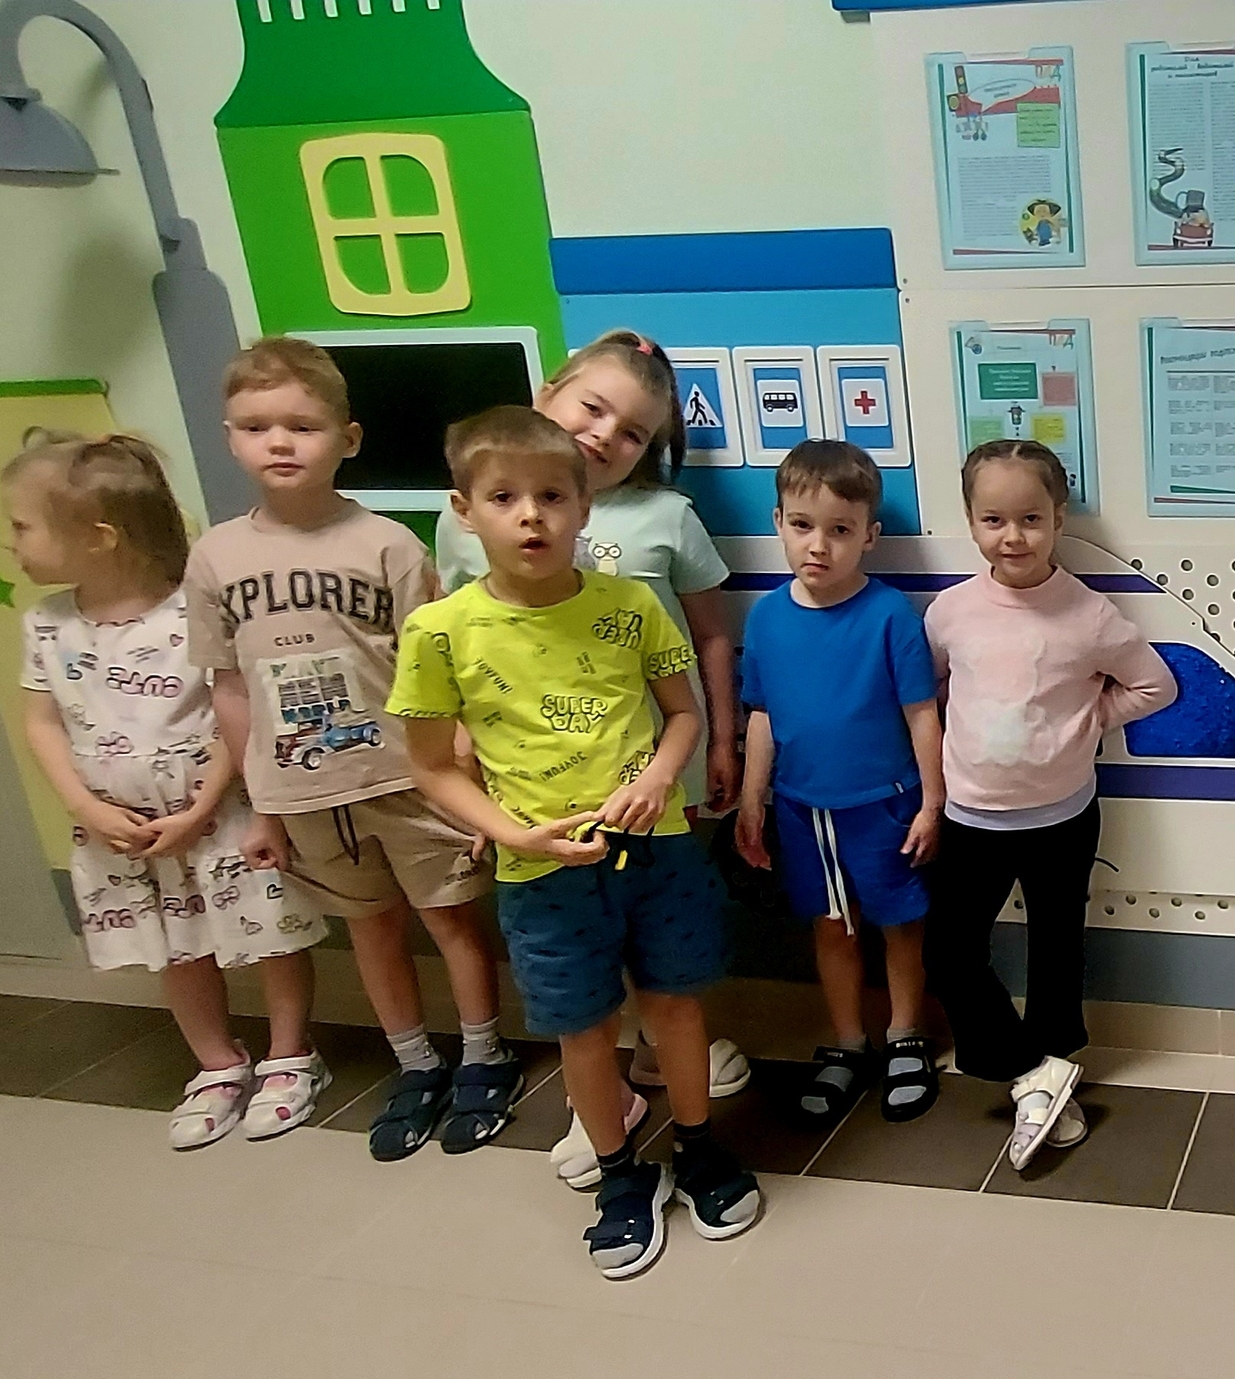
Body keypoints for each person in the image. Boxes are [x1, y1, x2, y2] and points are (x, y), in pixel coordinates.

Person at [389, 406, 758, 1280]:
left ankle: (698, 1146)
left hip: (657, 851)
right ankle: (621, 1175)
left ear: (583, 507)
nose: (531, 516)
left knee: (675, 1008)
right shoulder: (440, 631)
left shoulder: (630, 605)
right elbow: (431, 766)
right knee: (583, 1030)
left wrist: (660, 776)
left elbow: (681, 714)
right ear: (462, 511)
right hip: (542, 870)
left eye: (553, 496)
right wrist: (511, 831)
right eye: (504, 497)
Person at [186, 337, 519, 1162]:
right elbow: (230, 688)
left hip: (407, 777)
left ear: (349, 437)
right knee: (371, 929)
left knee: (450, 917)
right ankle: (415, 1061)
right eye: (256, 426)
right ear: (230, 438)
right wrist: (260, 805)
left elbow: (440, 670)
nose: (280, 442)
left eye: (302, 425)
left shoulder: (389, 546)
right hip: (303, 791)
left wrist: (466, 774)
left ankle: (484, 1054)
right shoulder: (216, 556)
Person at [7, 434, 329, 1148]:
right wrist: (84, 805)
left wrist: (201, 806)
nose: (11, 543)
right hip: (119, 829)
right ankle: (216, 1063)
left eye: (22, 526)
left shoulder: (195, 609)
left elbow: (235, 711)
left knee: (268, 934)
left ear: (98, 537)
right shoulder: (47, 625)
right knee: (174, 947)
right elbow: (41, 721)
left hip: (218, 814)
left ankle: (290, 1054)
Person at [925, 439, 1175, 1171]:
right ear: (971, 521)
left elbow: (1155, 685)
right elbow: (931, 692)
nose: (1013, 536)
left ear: (1059, 519)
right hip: (971, 817)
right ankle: (1032, 1073)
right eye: (994, 519)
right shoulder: (950, 612)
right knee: (950, 953)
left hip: (1062, 818)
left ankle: (1052, 1077)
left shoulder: (1089, 615)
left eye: (1031, 518)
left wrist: (1090, 720)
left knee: (1056, 950)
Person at [734, 440, 946, 1123]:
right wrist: (752, 799)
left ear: (868, 536)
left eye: (840, 530)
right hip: (803, 810)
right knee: (831, 926)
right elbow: (762, 713)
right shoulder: (766, 617)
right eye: (802, 525)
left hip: (886, 805)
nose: (818, 545)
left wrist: (933, 801)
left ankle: (906, 1033)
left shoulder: (889, 615)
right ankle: (848, 1040)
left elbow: (922, 713)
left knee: (902, 924)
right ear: (779, 522)